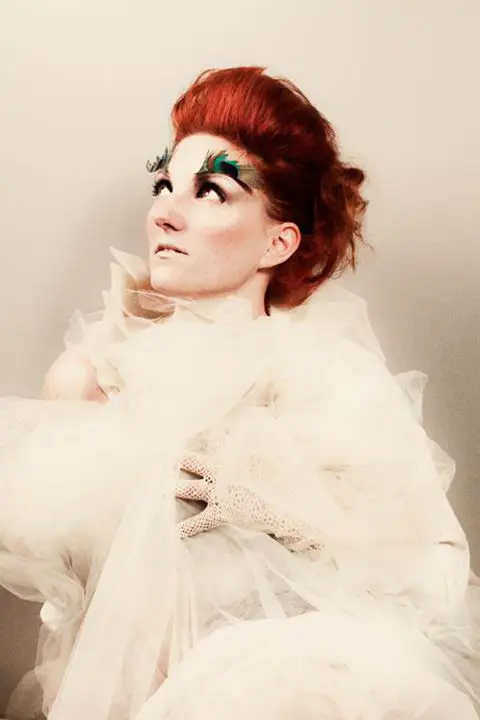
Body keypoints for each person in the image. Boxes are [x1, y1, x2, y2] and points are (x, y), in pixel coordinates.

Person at [0, 66, 478, 720]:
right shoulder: (91, 379)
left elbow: (437, 574)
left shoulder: (331, 379)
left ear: (279, 241)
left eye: (211, 191)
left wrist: (287, 510)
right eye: (164, 184)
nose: (165, 213)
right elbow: (79, 615)